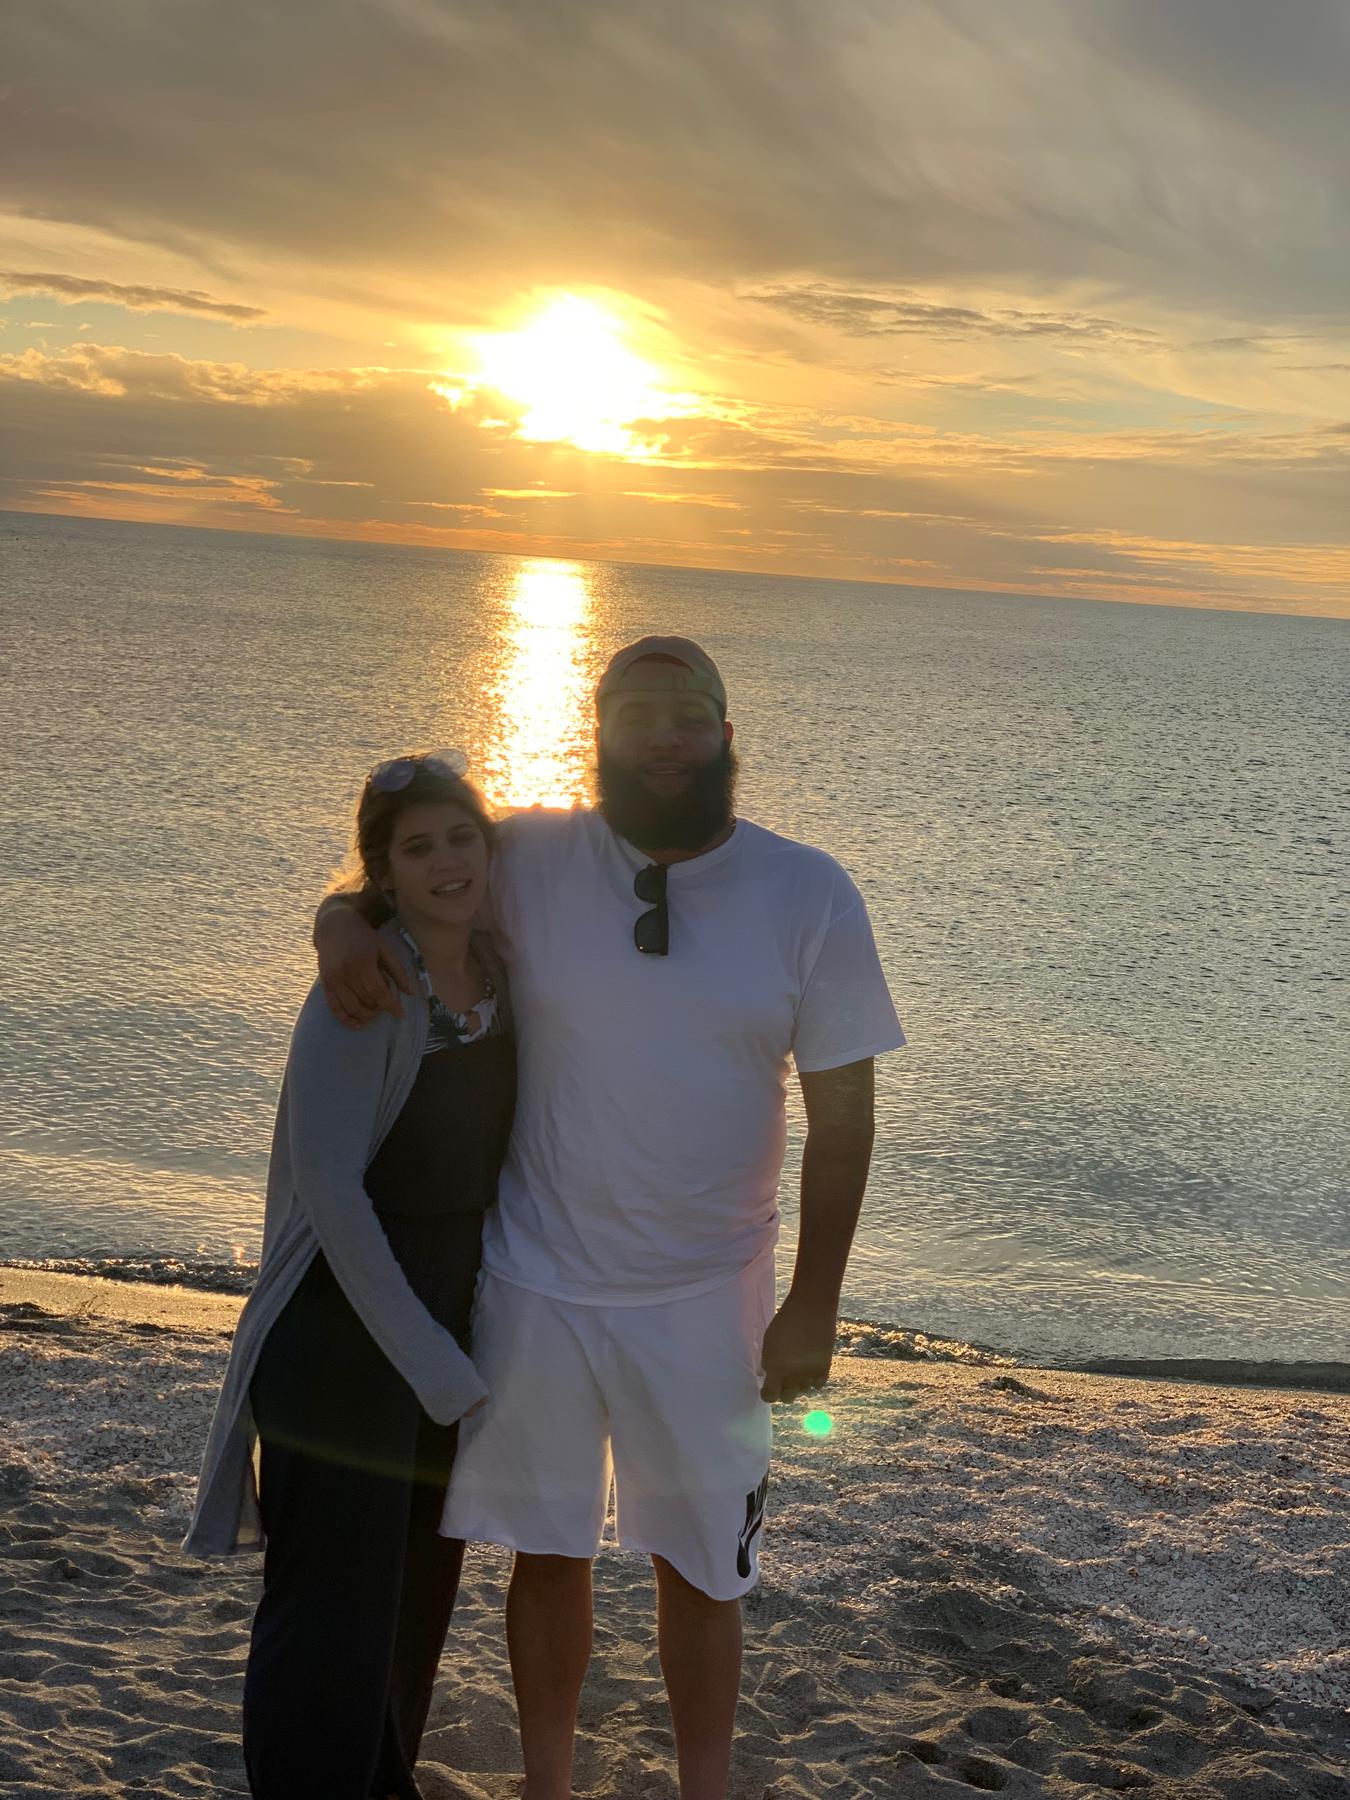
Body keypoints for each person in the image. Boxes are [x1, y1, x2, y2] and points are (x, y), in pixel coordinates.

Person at [316, 638, 904, 1800]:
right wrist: (339, 927)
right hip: (536, 1276)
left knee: (704, 1569)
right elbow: (400, 883)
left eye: (688, 714)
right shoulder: (534, 855)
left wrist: (814, 1303)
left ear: (727, 735)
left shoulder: (809, 891)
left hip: (709, 1292)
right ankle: (547, 1783)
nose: (664, 737)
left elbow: (846, 1121)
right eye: (637, 715)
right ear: (600, 737)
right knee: (547, 1551)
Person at [185, 751, 516, 1800]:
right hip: (344, 1335)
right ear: (385, 872)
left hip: (442, 1331)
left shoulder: (501, 975)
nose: (449, 862)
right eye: (418, 849)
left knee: (413, 1601)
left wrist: (461, 1352)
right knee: (329, 1611)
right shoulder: (362, 992)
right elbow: (331, 1196)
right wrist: (433, 1364)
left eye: (462, 837)